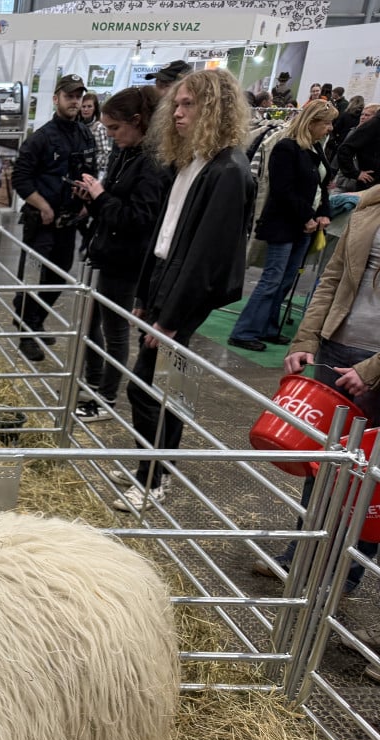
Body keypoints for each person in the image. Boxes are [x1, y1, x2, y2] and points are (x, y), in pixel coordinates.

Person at [116, 69, 255, 511]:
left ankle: (153, 477)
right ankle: (154, 465)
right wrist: (146, 296)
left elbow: (207, 255)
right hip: (164, 280)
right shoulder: (194, 161)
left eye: (188, 104)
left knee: (150, 389)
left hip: (182, 293)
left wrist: (171, 319)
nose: (177, 113)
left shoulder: (228, 171)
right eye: (176, 104)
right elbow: (166, 233)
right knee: (160, 387)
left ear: (214, 108)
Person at [254, 185, 380, 602]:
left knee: (369, 475)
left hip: (374, 365)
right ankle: (302, 552)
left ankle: (347, 573)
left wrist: (373, 370)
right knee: (321, 461)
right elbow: (331, 279)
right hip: (336, 348)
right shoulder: (370, 206)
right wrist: (305, 339)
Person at [74, 86, 169, 422]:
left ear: (137, 120)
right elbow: (114, 204)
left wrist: (101, 197)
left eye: (115, 128)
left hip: (128, 260)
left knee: (114, 331)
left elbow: (139, 218)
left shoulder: (152, 163)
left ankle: (106, 398)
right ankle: (94, 383)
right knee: (91, 325)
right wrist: (93, 199)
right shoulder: (125, 153)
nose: (111, 135)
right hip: (107, 251)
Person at [227, 100, 336, 352]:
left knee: (286, 279)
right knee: (272, 279)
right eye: (327, 123)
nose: (330, 128)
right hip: (284, 224)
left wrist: (323, 213)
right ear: (311, 122)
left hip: (305, 226)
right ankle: (244, 331)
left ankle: (268, 327)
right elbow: (282, 189)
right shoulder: (285, 147)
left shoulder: (315, 149)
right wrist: (307, 216)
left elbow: (321, 186)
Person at [11, 73, 97, 361]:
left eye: (78, 97)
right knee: (33, 276)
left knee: (60, 274)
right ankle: (26, 331)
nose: (75, 101)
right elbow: (21, 178)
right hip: (41, 222)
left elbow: (90, 172)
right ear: (56, 98)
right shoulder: (41, 138)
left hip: (70, 220)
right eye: (69, 96)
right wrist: (42, 205)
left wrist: (88, 201)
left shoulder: (85, 135)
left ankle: (34, 320)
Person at [336, 103, 380, 190]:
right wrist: (354, 173)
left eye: (367, 115)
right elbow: (343, 150)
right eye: (362, 114)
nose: (362, 117)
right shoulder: (361, 131)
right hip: (355, 183)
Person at [80, 92, 112, 174]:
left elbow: (103, 153)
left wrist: (90, 166)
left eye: (89, 106)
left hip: (91, 171)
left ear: (95, 108)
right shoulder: (77, 125)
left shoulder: (99, 128)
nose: (86, 109)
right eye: (83, 106)